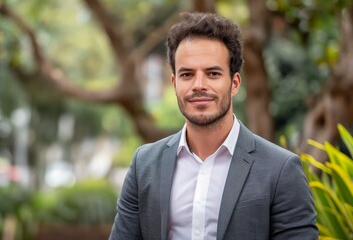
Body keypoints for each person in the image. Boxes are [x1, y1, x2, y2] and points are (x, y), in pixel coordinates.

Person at [109, 12, 318, 240]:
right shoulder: (144, 165)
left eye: (213, 73)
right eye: (187, 74)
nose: (199, 85)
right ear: (174, 83)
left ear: (234, 83)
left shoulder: (281, 170)